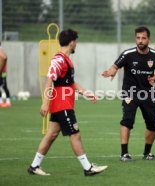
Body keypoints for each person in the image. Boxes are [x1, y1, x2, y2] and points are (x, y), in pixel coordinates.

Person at [27, 29, 107, 176]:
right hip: (62, 104)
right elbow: (49, 80)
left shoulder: (66, 59)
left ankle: (34, 166)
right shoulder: (59, 59)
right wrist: (45, 103)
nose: (76, 44)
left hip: (61, 104)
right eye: (76, 41)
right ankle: (88, 168)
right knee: (75, 134)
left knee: (51, 135)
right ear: (71, 42)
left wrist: (85, 92)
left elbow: (70, 83)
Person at [102, 26, 155, 161]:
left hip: (148, 94)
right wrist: (112, 71)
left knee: (153, 124)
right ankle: (124, 153)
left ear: (149, 39)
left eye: (143, 38)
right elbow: (115, 66)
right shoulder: (128, 54)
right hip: (130, 93)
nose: (140, 41)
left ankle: (147, 153)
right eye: (138, 38)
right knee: (127, 121)